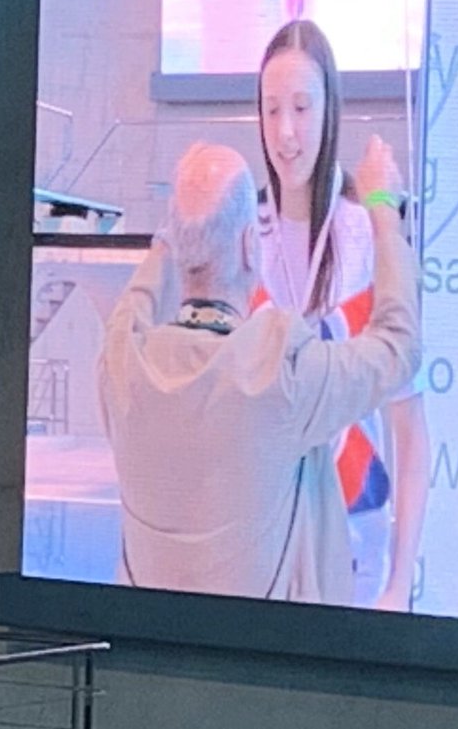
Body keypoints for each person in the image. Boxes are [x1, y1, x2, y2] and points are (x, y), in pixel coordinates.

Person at [98, 138, 419, 605]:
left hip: (145, 660)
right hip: (266, 665)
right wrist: (384, 211)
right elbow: (398, 346)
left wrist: (177, 235)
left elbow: (135, 304)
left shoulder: (121, 365)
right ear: (252, 245)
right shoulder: (280, 375)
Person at [254, 19, 430, 612]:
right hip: (262, 537)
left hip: (357, 536)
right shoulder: (244, 235)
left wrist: (400, 583)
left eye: (302, 108)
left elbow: (410, 432)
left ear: (330, 110)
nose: (285, 132)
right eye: (272, 108)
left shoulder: (365, 233)